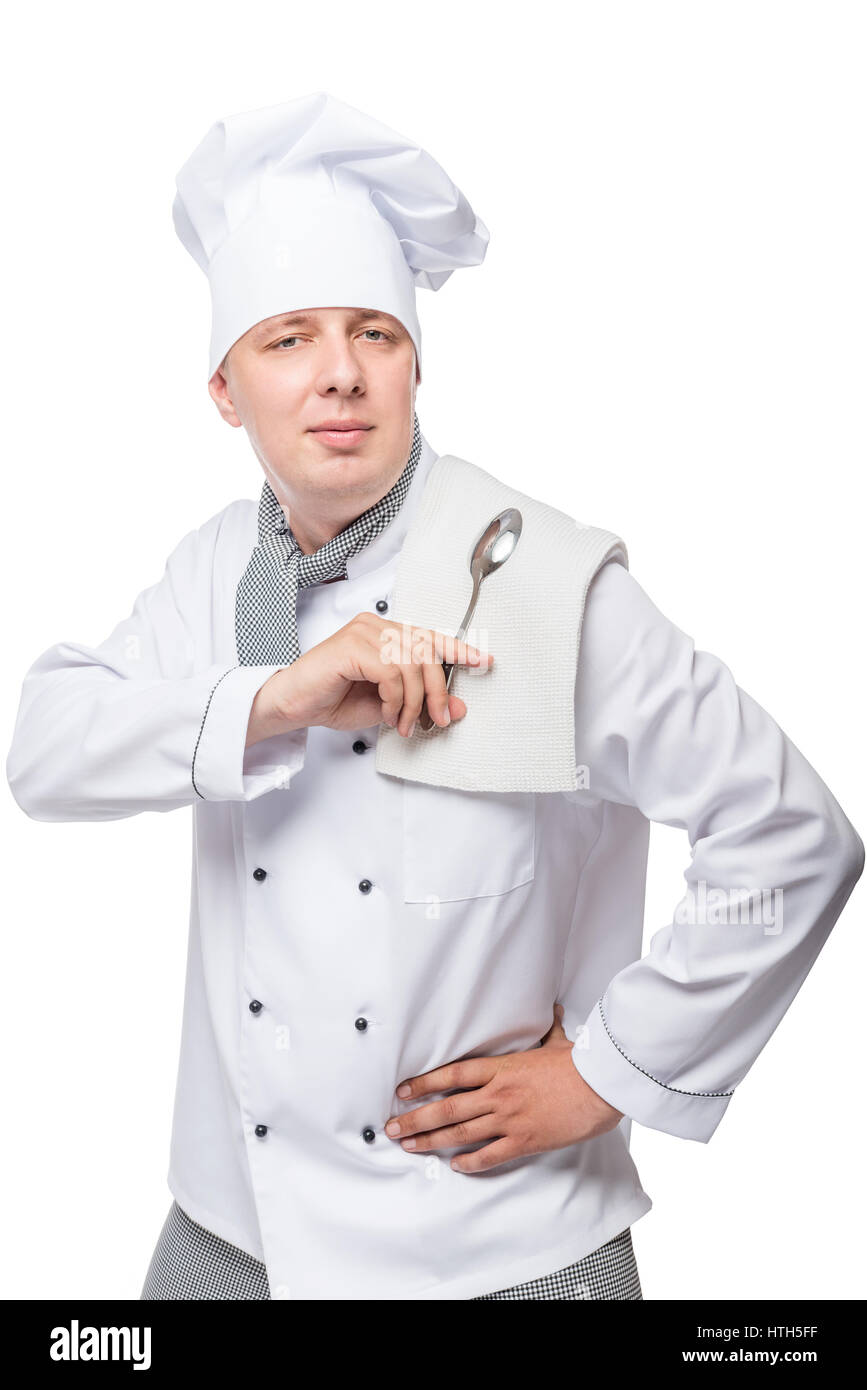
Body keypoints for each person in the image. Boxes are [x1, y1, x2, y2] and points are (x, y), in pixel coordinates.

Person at [6, 93, 863, 1302]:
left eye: (375, 334)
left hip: (499, 1251)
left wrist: (610, 1069)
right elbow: (42, 750)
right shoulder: (214, 573)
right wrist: (277, 699)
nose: (340, 376)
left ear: (417, 361)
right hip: (227, 1236)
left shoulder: (541, 578)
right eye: (288, 338)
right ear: (224, 392)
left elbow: (792, 833)